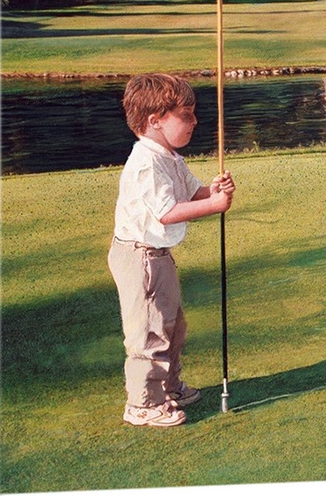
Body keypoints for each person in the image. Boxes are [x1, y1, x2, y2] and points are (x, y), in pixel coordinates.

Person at [109, 73, 235, 427]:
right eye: (186, 115)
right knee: (150, 331)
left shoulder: (169, 156)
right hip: (140, 256)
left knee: (173, 325)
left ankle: (168, 385)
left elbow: (192, 193)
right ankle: (143, 403)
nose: (195, 121)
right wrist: (216, 206)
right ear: (155, 121)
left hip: (157, 256)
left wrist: (213, 191)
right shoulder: (146, 162)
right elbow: (166, 213)